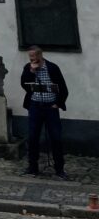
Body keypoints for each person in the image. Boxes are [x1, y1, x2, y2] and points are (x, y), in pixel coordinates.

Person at [21, 45, 68, 179]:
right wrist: (31, 71)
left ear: (40, 56)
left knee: (56, 138)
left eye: (34, 57)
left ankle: (59, 169)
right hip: (35, 106)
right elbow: (24, 84)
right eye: (30, 57)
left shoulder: (52, 68)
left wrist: (57, 104)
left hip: (50, 107)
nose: (32, 59)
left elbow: (63, 88)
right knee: (33, 137)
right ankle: (32, 168)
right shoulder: (27, 68)